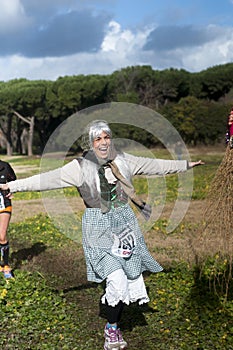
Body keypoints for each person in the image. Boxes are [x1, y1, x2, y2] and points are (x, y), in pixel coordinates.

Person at [0, 120, 204, 349]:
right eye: (98, 138)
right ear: (91, 142)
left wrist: (186, 164)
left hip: (125, 225)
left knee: (126, 278)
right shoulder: (79, 167)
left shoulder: (123, 160)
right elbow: (46, 180)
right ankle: (111, 329)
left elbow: (154, 165)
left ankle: (113, 321)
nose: (104, 142)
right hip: (97, 226)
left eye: (107, 137)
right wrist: (12, 187)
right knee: (116, 278)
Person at [0, 159, 17, 278]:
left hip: (4, 204)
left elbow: (14, 180)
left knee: (2, 236)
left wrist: (12, 190)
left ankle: (6, 266)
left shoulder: (5, 166)